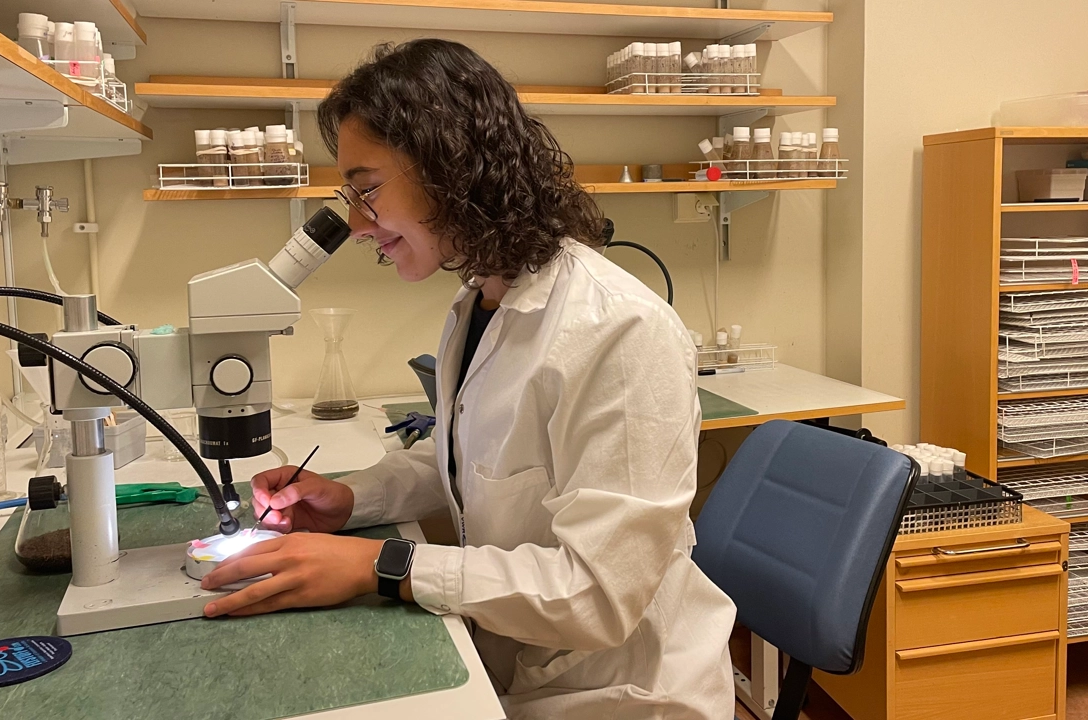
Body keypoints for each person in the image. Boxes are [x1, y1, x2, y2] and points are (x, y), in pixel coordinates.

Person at [199, 39, 736, 719]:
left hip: (622, 694)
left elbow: (599, 596)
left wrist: (380, 566)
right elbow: (472, 458)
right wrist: (350, 498)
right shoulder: (480, 302)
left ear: (451, 168)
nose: (359, 225)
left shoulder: (620, 330)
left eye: (367, 191)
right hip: (523, 666)